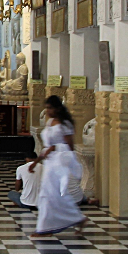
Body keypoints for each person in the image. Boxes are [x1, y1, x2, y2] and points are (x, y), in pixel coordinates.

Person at [30, 96, 87, 237]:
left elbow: (69, 147)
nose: (48, 110)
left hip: (59, 163)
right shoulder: (49, 122)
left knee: (51, 194)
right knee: (49, 194)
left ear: (57, 108)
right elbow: (46, 147)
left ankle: (45, 228)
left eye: (50, 107)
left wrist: (55, 147)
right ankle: (75, 219)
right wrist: (36, 162)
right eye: (47, 107)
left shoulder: (65, 124)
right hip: (49, 163)